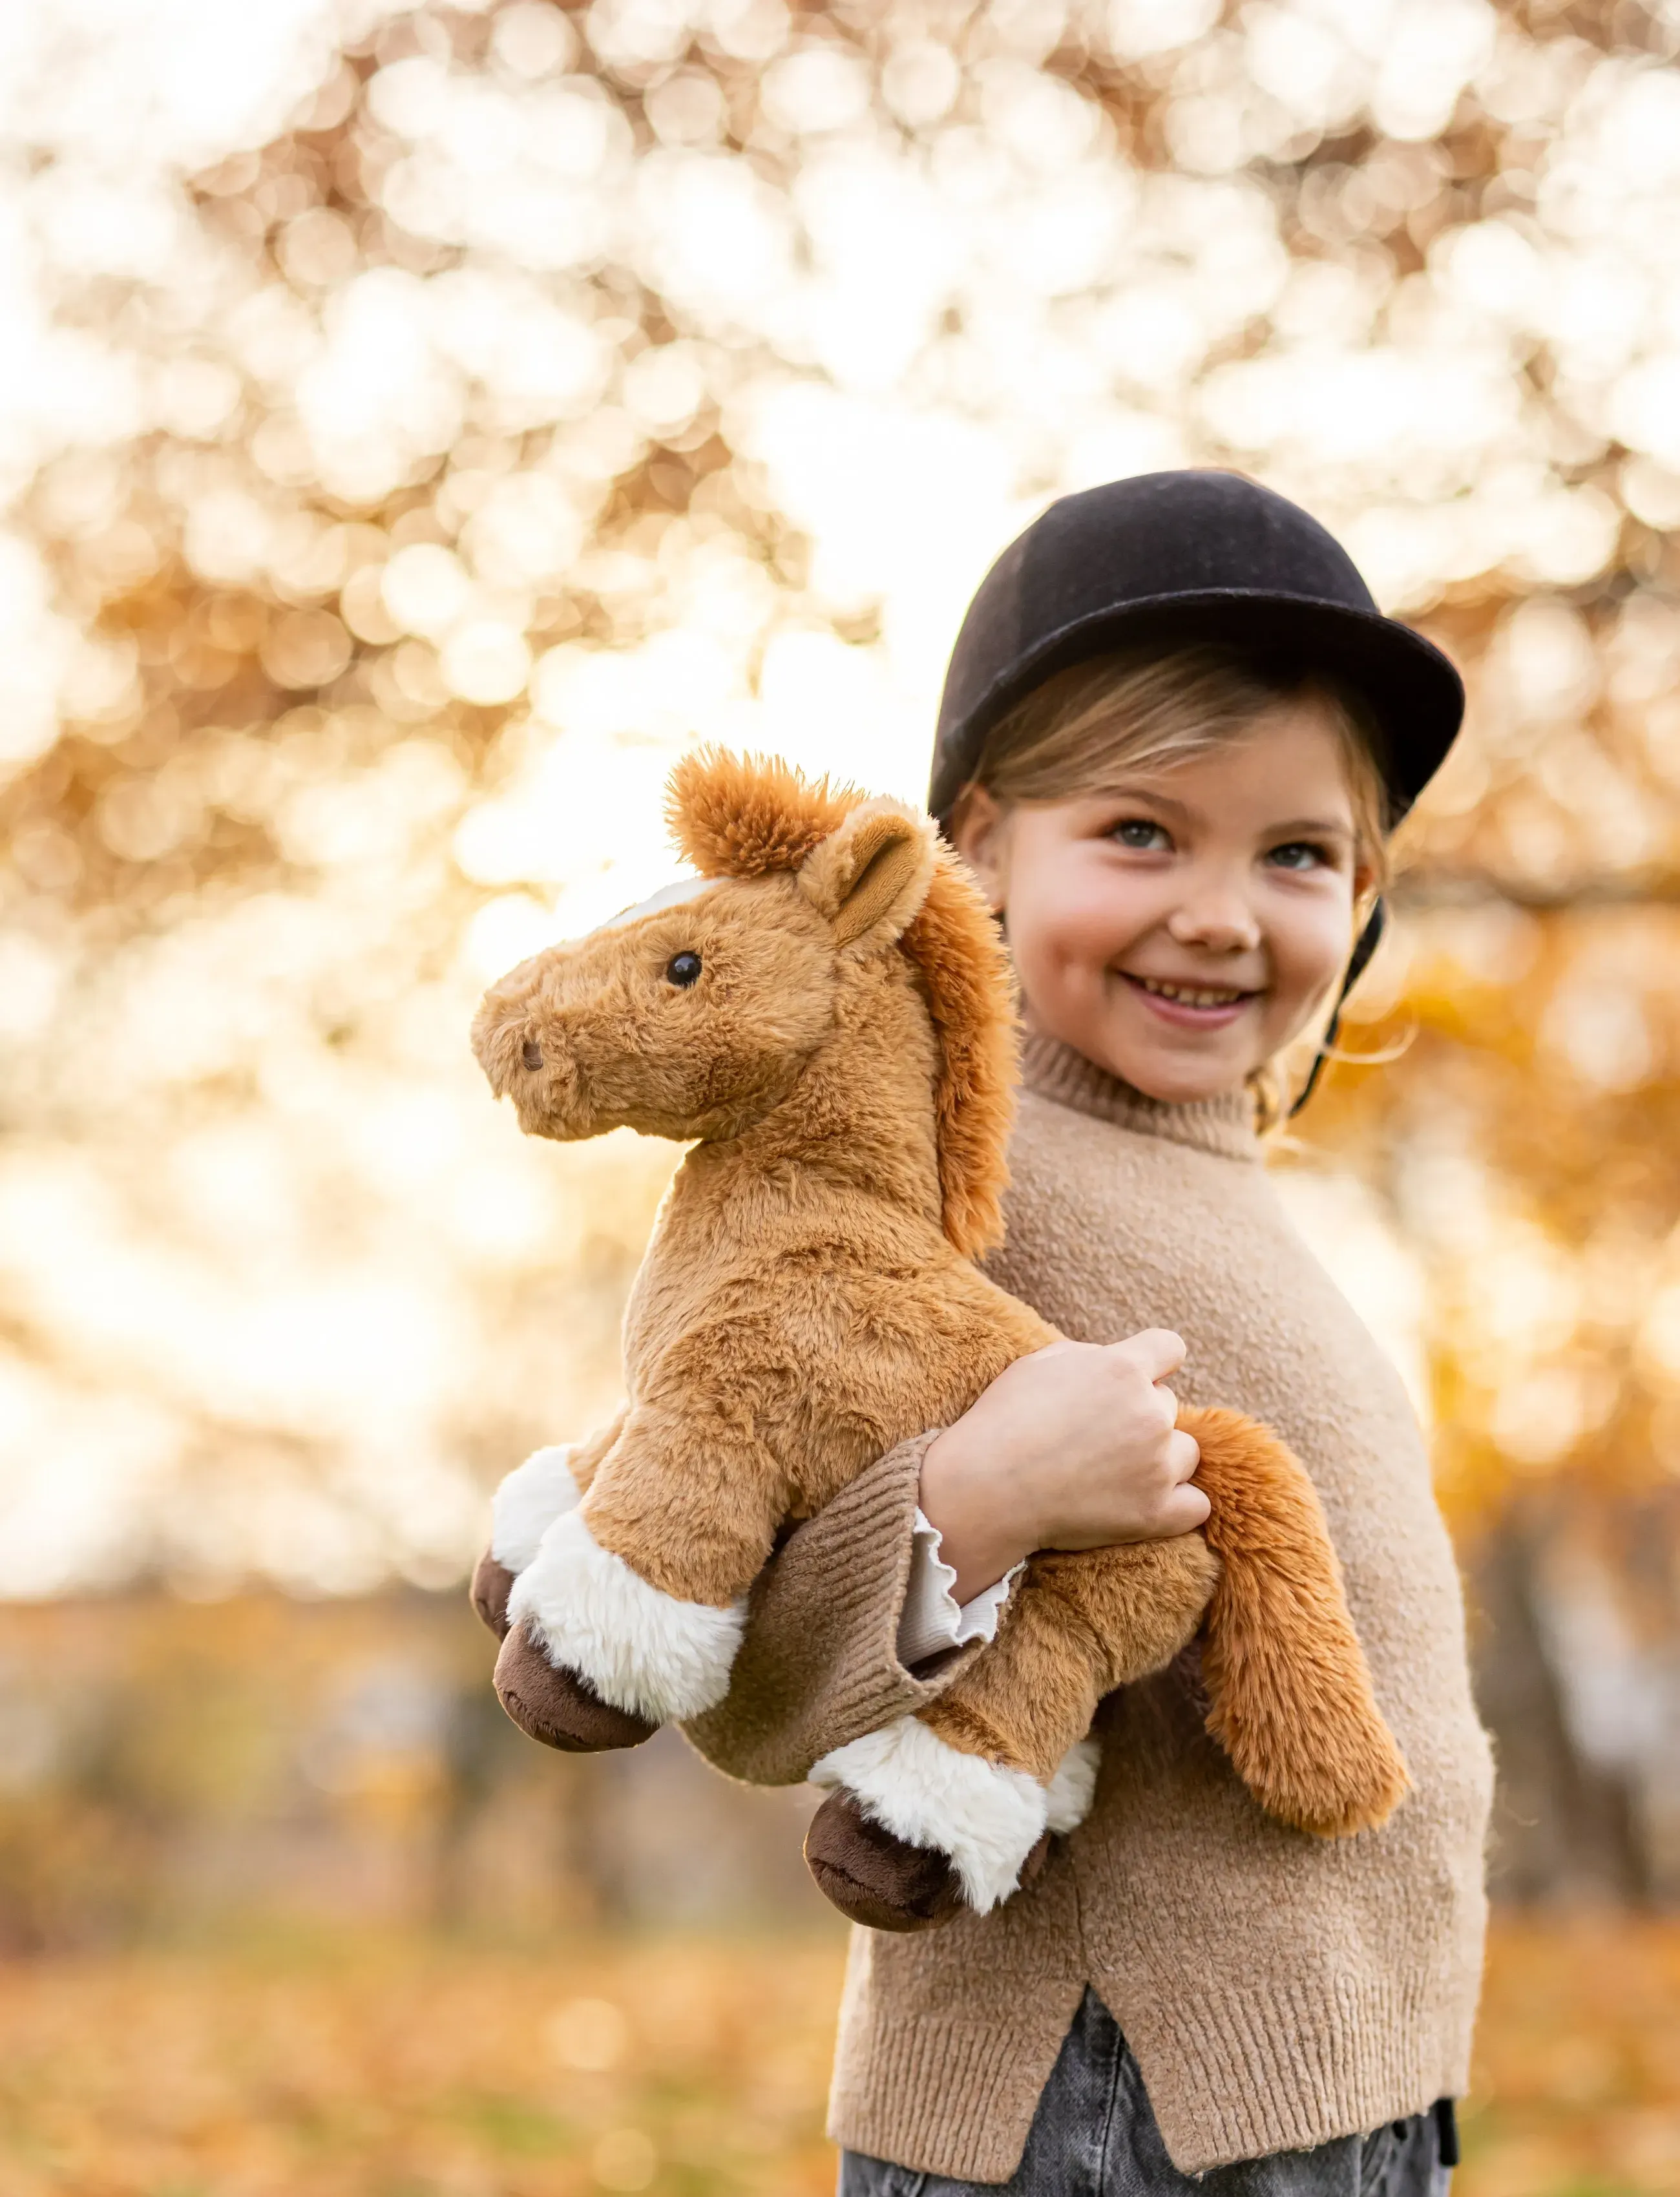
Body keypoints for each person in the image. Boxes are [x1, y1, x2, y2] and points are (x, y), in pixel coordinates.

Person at [683, 470, 1494, 2195]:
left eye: (1297, 853)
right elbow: (735, 1655)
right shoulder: (943, 1174)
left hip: (1347, 2097)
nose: (1221, 911)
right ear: (978, 845)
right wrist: (979, 1500)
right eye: (1142, 831)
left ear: (1364, 891)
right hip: (1100, 2105)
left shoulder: (1233, 1184)